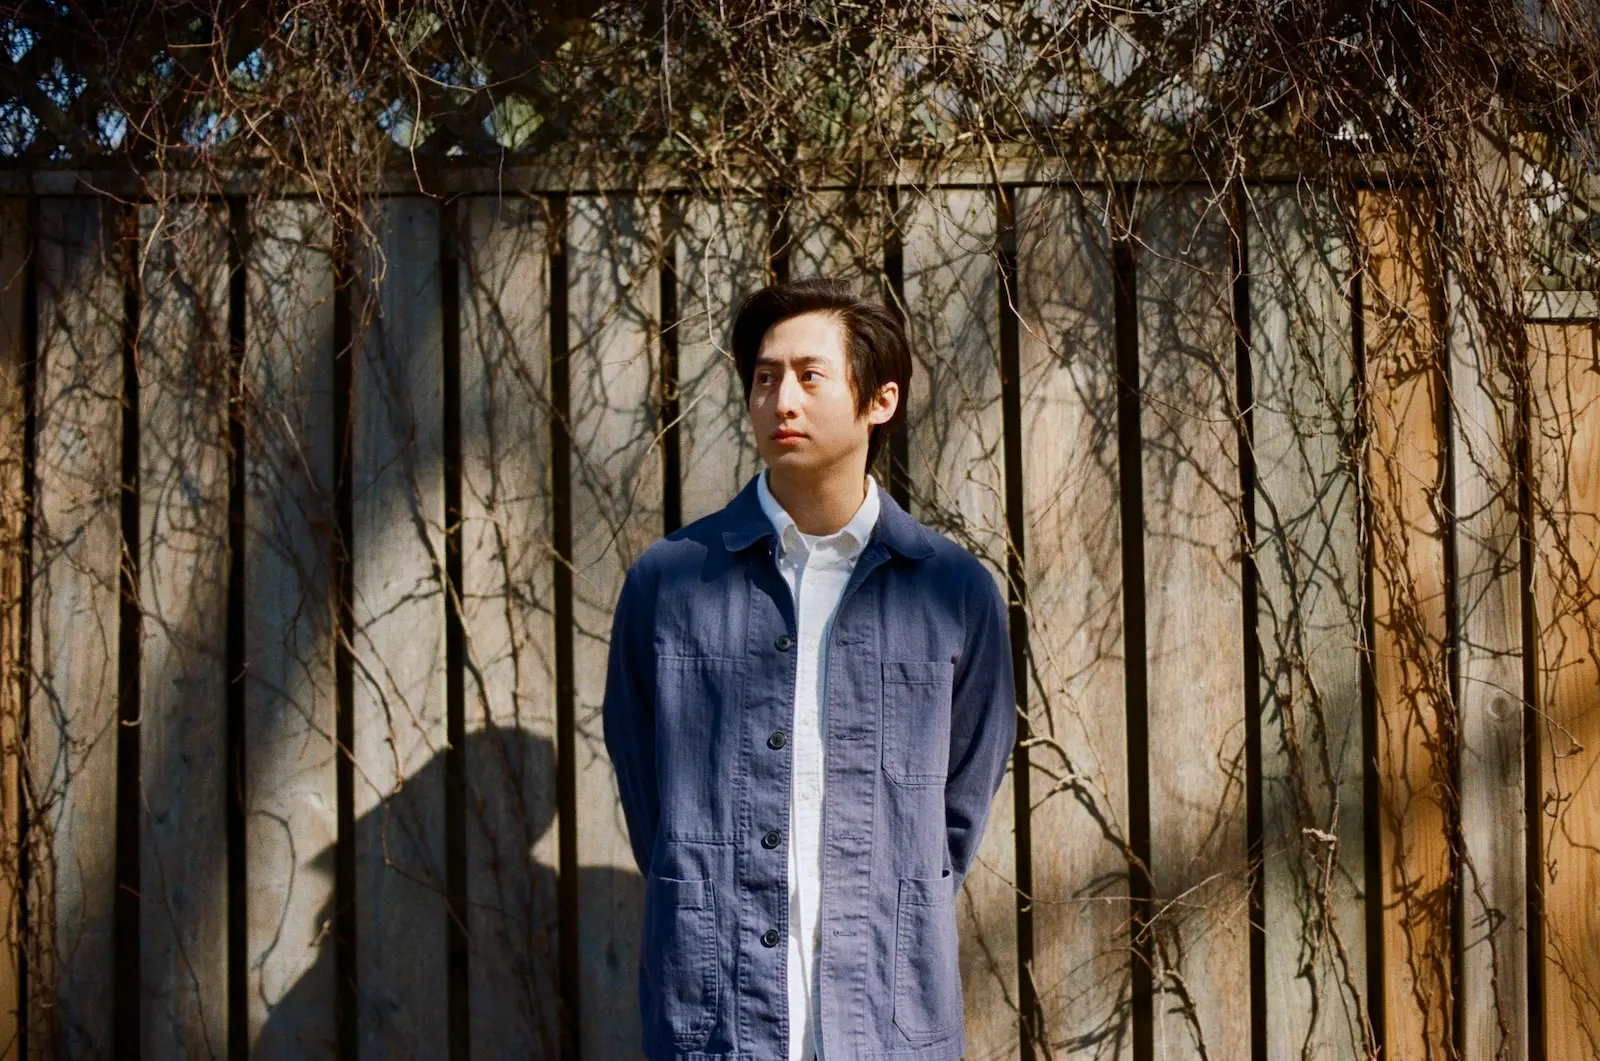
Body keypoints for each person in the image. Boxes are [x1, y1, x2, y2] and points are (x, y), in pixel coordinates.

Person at [601, 276, 1016, 1061]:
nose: (780, 399)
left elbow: (959, 803)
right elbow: (648, 790)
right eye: (764, 377)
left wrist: (896, 885)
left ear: (880, 400)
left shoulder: (950, 590)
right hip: (716, 1013)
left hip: (887, 1015)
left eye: (808, 375)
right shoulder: (670, 581)